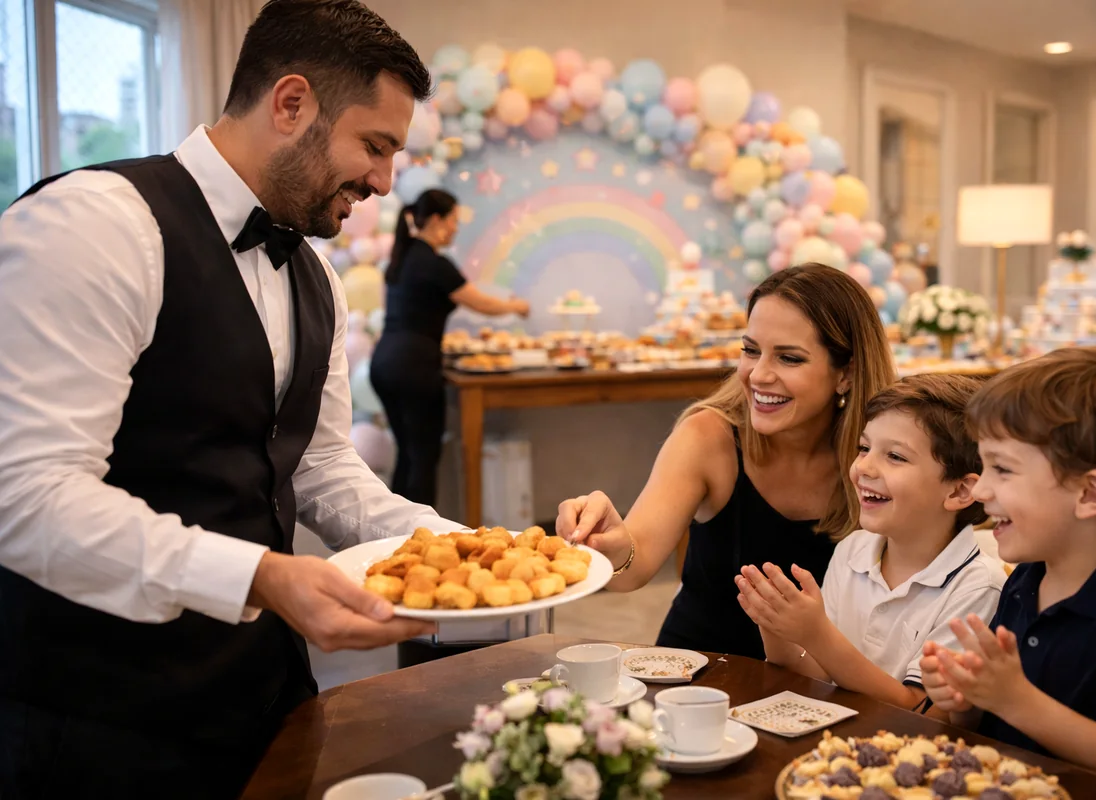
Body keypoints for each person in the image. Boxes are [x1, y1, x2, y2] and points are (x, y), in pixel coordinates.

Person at [0, 1, 465, 797]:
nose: (386, 183)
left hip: (266, 697)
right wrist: (261, 576)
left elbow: (316, 464)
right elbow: (25, 495)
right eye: (375, 146)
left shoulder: (316, 276)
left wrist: (473, 546)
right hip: (97, 716)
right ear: (291, 104)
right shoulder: (95, 223)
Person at [556, 264, 896, 659]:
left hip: (825, 689)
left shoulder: (879, 456)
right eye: (750, 350)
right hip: (699, 683)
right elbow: (633, 567)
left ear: (847, 373)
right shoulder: (707, 436)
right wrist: (611, 542)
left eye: (789, 358)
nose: (758, 375)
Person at [919, 347, 1096, 793]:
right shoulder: (1026, 581)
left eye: (1002, 469)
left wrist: (1017, 701)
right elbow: (992, 725)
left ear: (1090, 494)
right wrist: (966, 698)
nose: (982, 488)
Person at [736, 374, 1006, 714]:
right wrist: (779, 628)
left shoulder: (979, 587)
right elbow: (822, 676)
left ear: (959, 491)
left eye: (894, 456)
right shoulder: (853, 550)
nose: (862, 467)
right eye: (864, 448)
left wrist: (816, 634)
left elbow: (923, 713)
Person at [370, 188, 529, 506]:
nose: (457, 228)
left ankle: (396, 535)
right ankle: (419, 539)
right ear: (438, 220)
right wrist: (515, 307)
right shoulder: (434, 263)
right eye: (454, 220)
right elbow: (479, 302)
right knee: (424, 457)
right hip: (414, 366)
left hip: (385, 363)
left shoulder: (405, 256)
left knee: (409, 454)